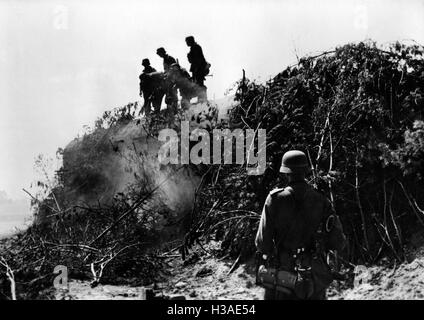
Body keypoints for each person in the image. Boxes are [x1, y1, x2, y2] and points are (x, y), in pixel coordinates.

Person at [255, 150, 346, 300]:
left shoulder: (274, 199)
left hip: (283, 274)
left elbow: (262, 243)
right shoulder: (321, 200)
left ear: (285, 173)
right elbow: (337, 241)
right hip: (314, 274)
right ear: (306, 171)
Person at [185, 36, 209, 100]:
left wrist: (189, 57)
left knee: (199, 84)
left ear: (190, 41)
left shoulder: (195, 47)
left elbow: (197, 60)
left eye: (187, 41)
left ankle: (202, 98)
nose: (186, 43)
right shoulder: (194, 47)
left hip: (198, 69)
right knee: (198, 84)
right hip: (197, 68)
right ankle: (201, 98)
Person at [156, 47, 178, 113]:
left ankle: (174, 111)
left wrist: (167, 74)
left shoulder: (169, 58)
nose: (159, 55)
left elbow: (174, 69)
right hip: (168, 79)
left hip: (172, 79)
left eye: (160, 54)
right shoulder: (165, 59)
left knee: (172, 96)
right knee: (169, 97)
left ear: (163, 52)